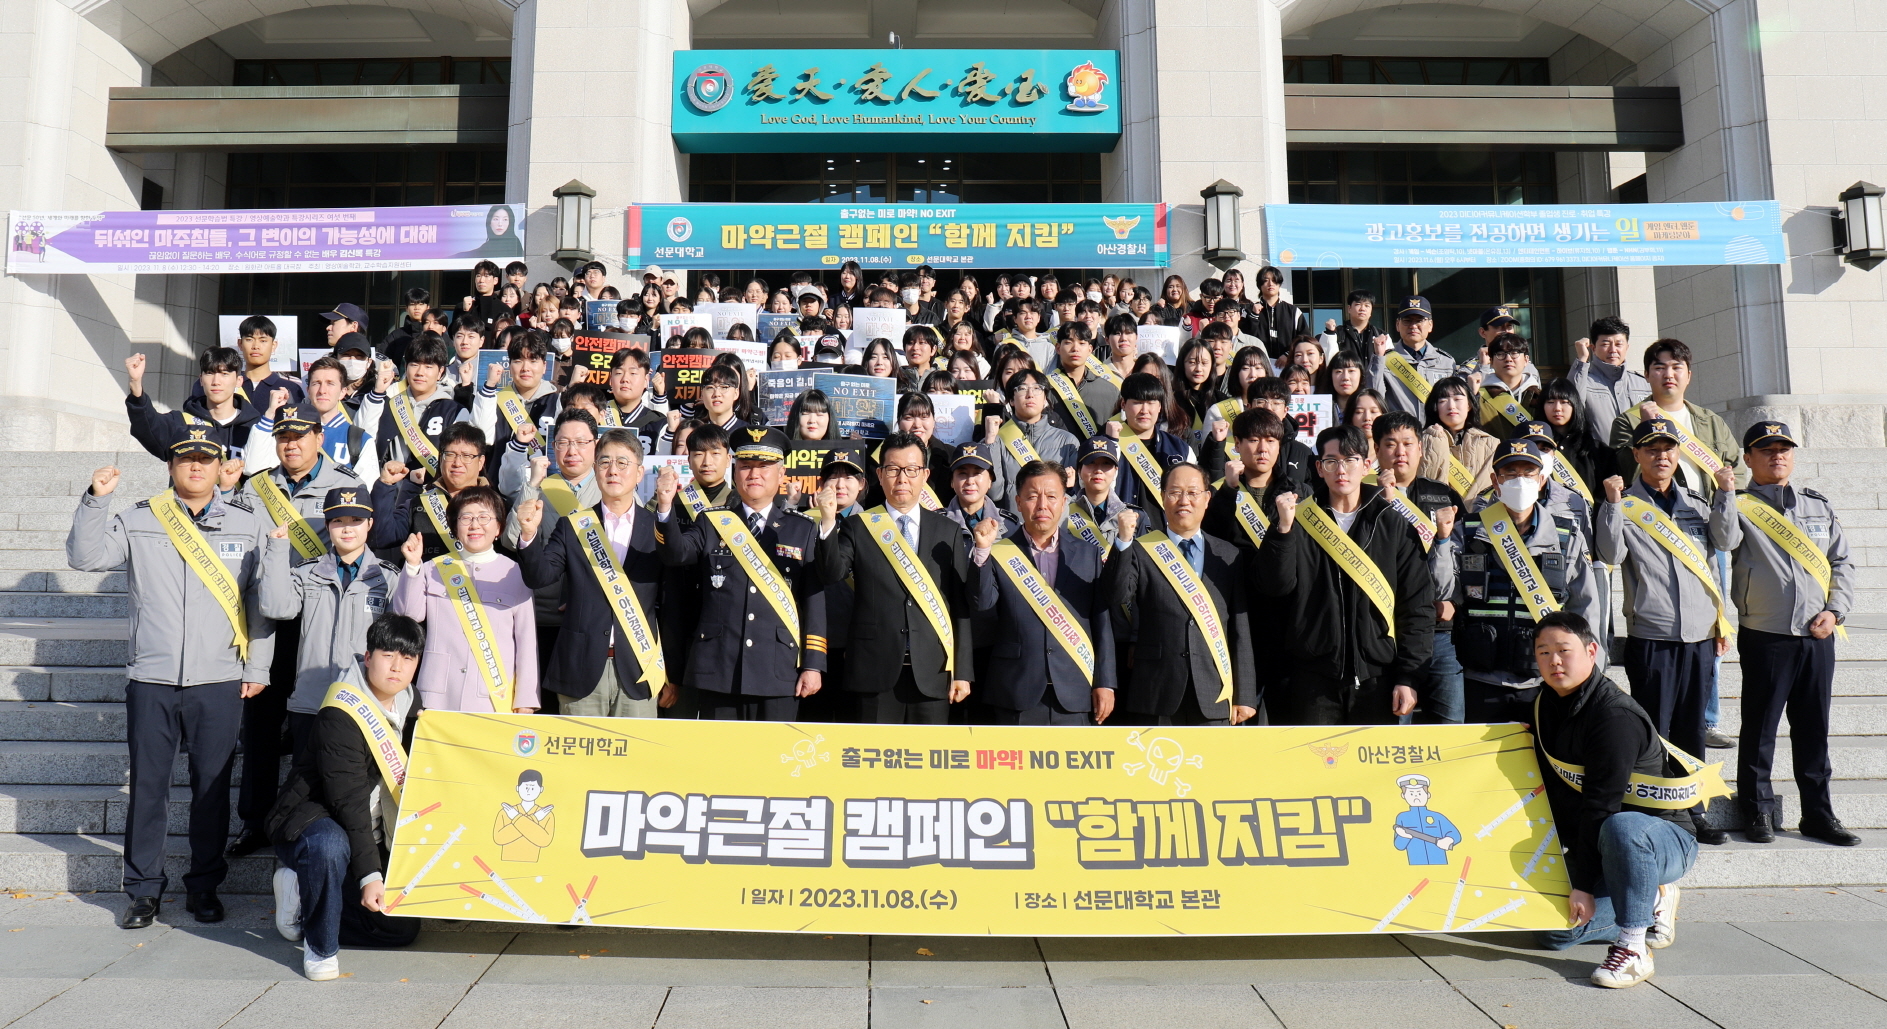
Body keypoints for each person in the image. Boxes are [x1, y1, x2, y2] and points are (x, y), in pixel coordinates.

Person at [68, 435, 274, 929]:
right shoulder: (140, 518)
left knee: (212, 787)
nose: (197, 467)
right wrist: (96, 500)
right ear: (171, 465)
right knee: (148, 788)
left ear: (220, 466)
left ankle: (204, 887)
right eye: (187, 459)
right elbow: (85, 558)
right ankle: (142, 892)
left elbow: (260, 604)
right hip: (153, 677)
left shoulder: (246, 525)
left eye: (206, 459)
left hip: (219, 679)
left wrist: (258, 668)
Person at [1530, 611, 1700, 989]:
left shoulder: (1614, 716)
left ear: (1592, 651)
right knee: (1553, 933)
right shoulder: (1543, 704)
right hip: (1602, 842)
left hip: (1658, 838)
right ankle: (1650, 901)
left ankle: (1633, 946)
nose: (1554, 661)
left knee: (1621, 825)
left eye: (1563, 650)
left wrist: (1584, 886)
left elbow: (1601, 805)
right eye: (1543, 652)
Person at [226, 403, 367, 858]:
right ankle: (255, 821)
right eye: (284, 435)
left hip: (323, 622)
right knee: (262, 729)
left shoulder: (346, 486)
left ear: (319, 436)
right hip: (267, 622)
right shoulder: (255, 488)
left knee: (322, 730)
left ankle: (315, 818)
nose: (291, 443)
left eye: (301, 434)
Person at [1711, 421, 1861, 846]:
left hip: (1818, 636)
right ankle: (1756, 811)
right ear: (1748, 458)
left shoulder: (1817, 505)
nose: (1777, 455)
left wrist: (1835, 611)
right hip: (1767, 633)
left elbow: (1842, 563)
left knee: (1814, 728)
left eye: (1784, 448)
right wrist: (1724, 494)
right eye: (1767, 449)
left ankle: (1818, 813)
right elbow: (1722, 540)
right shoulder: (1738, 504)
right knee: (1760, 728)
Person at [264, 613, 425, 980]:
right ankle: (320, 949)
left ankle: (307, 899)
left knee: (400, 929)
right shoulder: (341, 712)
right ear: (368, 657)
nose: (397, 667)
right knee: (330, 845)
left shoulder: (410, 702)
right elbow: (347, 802)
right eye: (388, 655)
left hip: (371, 827)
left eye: (408, 658)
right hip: (315, 821)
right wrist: (370, 875)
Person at [1598, 418, 1735, 845]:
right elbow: (1608, 551)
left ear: (1678, 456)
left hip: (1698, 637)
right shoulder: (1627, 504)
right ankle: (1653, 809)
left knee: (1692, 729)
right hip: (1652, 636)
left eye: (1668, 450)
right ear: (1636, 456)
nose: (1662, 457)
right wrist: (1612, 504)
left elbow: (1726, 542)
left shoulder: (1696, 503)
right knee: (1653, 730)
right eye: (1652, 450)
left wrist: (1727, 494)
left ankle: (1695, 809)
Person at [1258, 424, 1435, 725]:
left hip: (1378, 677)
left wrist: (1409, 677)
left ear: (1366, 465)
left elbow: (1417, 606)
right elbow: (1274, 587)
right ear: (1319, 468)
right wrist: (1283, 533)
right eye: (1331, 461)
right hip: (1313, 678)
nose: (1341, 469)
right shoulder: (1297, 521)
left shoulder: (1391, 524)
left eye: (1350, 460)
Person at [655, 427, 827, 721]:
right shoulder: (712, 522)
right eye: (746, 467)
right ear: (735, 472)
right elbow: (675, 554)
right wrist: (665, 506)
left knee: (774, 761)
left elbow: (813, 600)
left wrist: (813, 664)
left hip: (778, 668)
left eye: (764, 467)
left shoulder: (803, 529)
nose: (754, 475)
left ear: (781, 473)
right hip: (719, 668)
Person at [515, 428, 678, 718]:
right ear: (595, 469)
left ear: (640, 474)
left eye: (622, 463)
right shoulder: (572, 526)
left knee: (635, 761)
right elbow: (539, 577)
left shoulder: (657, 529)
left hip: (640, 669)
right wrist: (528, 536)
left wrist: (672, 672)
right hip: (581, 668)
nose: (612, 470)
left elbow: (672, 605)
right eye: (604, 462)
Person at [818, 430, 974, 724]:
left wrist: (962, 672)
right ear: (879, 474)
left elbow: (960, 604)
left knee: (929, 764)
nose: (902, 478)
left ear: (925, 474)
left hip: (934, 669)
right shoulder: (859, 526)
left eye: (911, 470)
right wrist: (827, 522)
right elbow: (831, 574)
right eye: (893, 469)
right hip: (874, 669)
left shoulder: (947, 530)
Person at [1452, 439, 1600, 724]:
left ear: (1542, 479)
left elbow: (1586, 606)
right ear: (1495, 481)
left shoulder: (1565, 535)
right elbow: (1446, 590)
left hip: (1543, 680)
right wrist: (1443, 539)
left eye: (1528, 473)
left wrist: (1590, 671)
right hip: (1480, 677)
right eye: (1510, 473)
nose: (1519, 481)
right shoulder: (1469, 530)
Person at [1099, 462, 1256, 725]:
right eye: (1175, 492)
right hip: (1156, 693)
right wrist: (1123, 542)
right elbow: (1115, 596)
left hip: (1215, 692)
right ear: (1162, 498)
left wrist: (1246, 694)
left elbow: (1240, 629)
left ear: (1207, 499)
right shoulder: (1142, 550)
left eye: (1193, 493)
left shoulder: (1228, 555)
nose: (1184, 501)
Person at [968, 460, 1117, 724]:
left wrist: (1105, 682)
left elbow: (1101, 622)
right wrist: (981, 550)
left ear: (1064, 502)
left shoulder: (1087, 554)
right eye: (1032, 497)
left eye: (1051, 496)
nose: (1042, 505)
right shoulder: (1000, 552)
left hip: (1075, 688)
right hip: (1015, 689)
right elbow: (982, 604)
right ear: (1017, 501)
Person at [258, 485, 390, 761]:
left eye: (356, 521)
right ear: (328, 526)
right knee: (304, 788)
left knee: (354, 787)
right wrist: (278, 549)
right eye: (338, 521)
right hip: (311, 701)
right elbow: (276, 607)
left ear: (370, 524)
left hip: (364, 702)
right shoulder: (308, 573)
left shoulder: (388, 578)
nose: (347, 529)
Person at [390, 485, 540, 713]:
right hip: (437, 695)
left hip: (492, 696)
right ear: (454, 526)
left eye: (484, 517)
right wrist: (412, 566)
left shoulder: (515, 573)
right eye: (466, 517)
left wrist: (526, 700)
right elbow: (408, 615)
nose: (475, 525)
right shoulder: (433, 568)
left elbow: (526, 640)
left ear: (499, 526)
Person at [1373, 412, 1464, 723]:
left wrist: (1455, 601)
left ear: (1421, 448)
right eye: (1391, 444)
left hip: (1440, 631)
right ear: (1376, 450)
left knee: (1451, 729)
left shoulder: (1443, 494)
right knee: (1396, 726)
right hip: (1390, 630)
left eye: (1408, 443)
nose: (1401, 452)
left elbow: (1464, 558)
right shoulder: (1363, 497)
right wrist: (1386, 502)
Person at [368, 422, 488, 564]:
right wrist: (385, 485)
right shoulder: (418, 503)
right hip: (425, 583)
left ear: (481, 462)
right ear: (440, 458)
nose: (457, 462)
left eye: (466, 456)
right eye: (450, 454)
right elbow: (381, 537)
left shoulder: (495, 504)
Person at [125, 348, 260, 465]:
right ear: (201, 379)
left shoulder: (255, 427)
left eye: (224, 374)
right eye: (210, 373)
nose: (216, 381)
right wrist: (135, 383)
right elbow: (147, 426)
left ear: (239, 381)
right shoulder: (181, 423)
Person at [248, 357, 376, 477]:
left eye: (330, 383)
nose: (322, 390)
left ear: (343, 392)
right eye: (316, 383)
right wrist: (270, 414)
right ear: (308, 390)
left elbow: (365, 492)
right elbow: (253, 469)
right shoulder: (286, 432)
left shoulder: (360, 440)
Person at [362, 334, 468, 477]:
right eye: (414, 364)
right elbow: (363, 436)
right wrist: (378, 392)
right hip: (389, 487)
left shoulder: (454, 411)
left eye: (428, 366)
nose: (420, 372)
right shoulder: (389, 403)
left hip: (431, 492)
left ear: (440, 372)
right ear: (406, 367)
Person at [1110, 372, 1198, 533]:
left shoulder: (1180, 449)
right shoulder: (1107, 445)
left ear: (1160, 406)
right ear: (1123, 404)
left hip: (1165, 541)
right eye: (1137, 403)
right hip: (1120, 535)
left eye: (1151, 403)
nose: (1145, 410)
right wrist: (1112, 442)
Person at [986, 368, 1079, 509]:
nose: (1030, 395)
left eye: (1037, 388)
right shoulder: (997, 439)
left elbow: (1074, 496)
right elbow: (994, 493)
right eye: (1022, 389)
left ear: (1045, 398)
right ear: (1011, 400)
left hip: (1054, 525)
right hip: (1010, 526)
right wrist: (990, 442)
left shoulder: (1067, 442)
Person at [473, 329, 562, 456]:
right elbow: (481, 437)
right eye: (518, 361)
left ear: (544, 366)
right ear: (509, 365)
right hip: (500, 474)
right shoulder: (495, 400)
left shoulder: (557, 403)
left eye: (533, 361)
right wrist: (490, 385)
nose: (525, 368)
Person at [1365, 296, 1458, 417]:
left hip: (1437, 433)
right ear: (1398, 325)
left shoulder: (1446, 362)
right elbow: (1374, 398)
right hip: (1400, 432)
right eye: (1407, 320)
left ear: (1430, 325)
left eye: (1419, 320)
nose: (1413, 326)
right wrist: (1378, 358)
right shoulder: (1385, 360)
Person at [1569, 315, 1651, 452]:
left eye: (1619, 344)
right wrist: (1581, 359)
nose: (1613, 350)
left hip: (1639, 462)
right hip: (1599, 462)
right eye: (1605, 344)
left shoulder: (1643, 383)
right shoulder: (1583, 379)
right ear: (1593, 348)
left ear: (1627, 347)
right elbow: (1570, 403)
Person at [1419, 376, 1499, 499]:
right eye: (1442, 401)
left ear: (1469, 405)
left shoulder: (1491, 443)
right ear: (1435, 407)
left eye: (1457, 399)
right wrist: (1434, 441)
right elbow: (1424, 485)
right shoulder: (1420, 442)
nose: (1451, 406)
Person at [1045, 322, 1117, 440]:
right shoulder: (1045, 388)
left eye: (1082, 343)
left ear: (1090, 349)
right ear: (1058, 348)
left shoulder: (1110, 390)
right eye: (1068, 342)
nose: (1075, 348)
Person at [939, 442, 1018, 546]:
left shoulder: (1009, 525)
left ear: (990, 480)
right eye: (962, 473)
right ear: (952, 481)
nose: (970, 481)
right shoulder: (936, 522)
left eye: (977, 473)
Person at [1066, 436, 1136, 551]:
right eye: (1091, 463)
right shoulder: (1063, 513)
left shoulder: (1135, 517)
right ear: (1079, 470)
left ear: (1116, 471)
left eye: (1106, 464)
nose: (1098, 470)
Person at [1476, 331, 1542, 440]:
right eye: (1501, 354)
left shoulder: (1541, 398)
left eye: (1515, 352)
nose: (1508, 359)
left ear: (1526, 360)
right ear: (1491, 361)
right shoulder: (1478, 397)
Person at [1246, 266, 1305, 360]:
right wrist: (1254, 316)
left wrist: (1288, 354)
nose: (1270, 284)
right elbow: (1244, 339)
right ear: (1259, 284)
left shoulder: (1293, 312)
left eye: (1274, 280)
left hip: (1287, 366)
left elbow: (1304, 339)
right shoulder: (1249, 310)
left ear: (1279, 283)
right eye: (1266, 280)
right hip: (1258, 364)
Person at [1320, 289, 1391, 360]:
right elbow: (1328, 360)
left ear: (1371, 310)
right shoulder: (1338, 333)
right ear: (1349, 308)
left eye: (1367, 306)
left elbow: (1390, 364)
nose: (1362, 309)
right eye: (1358, 304)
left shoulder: (1381, 335)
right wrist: (1330, 333)